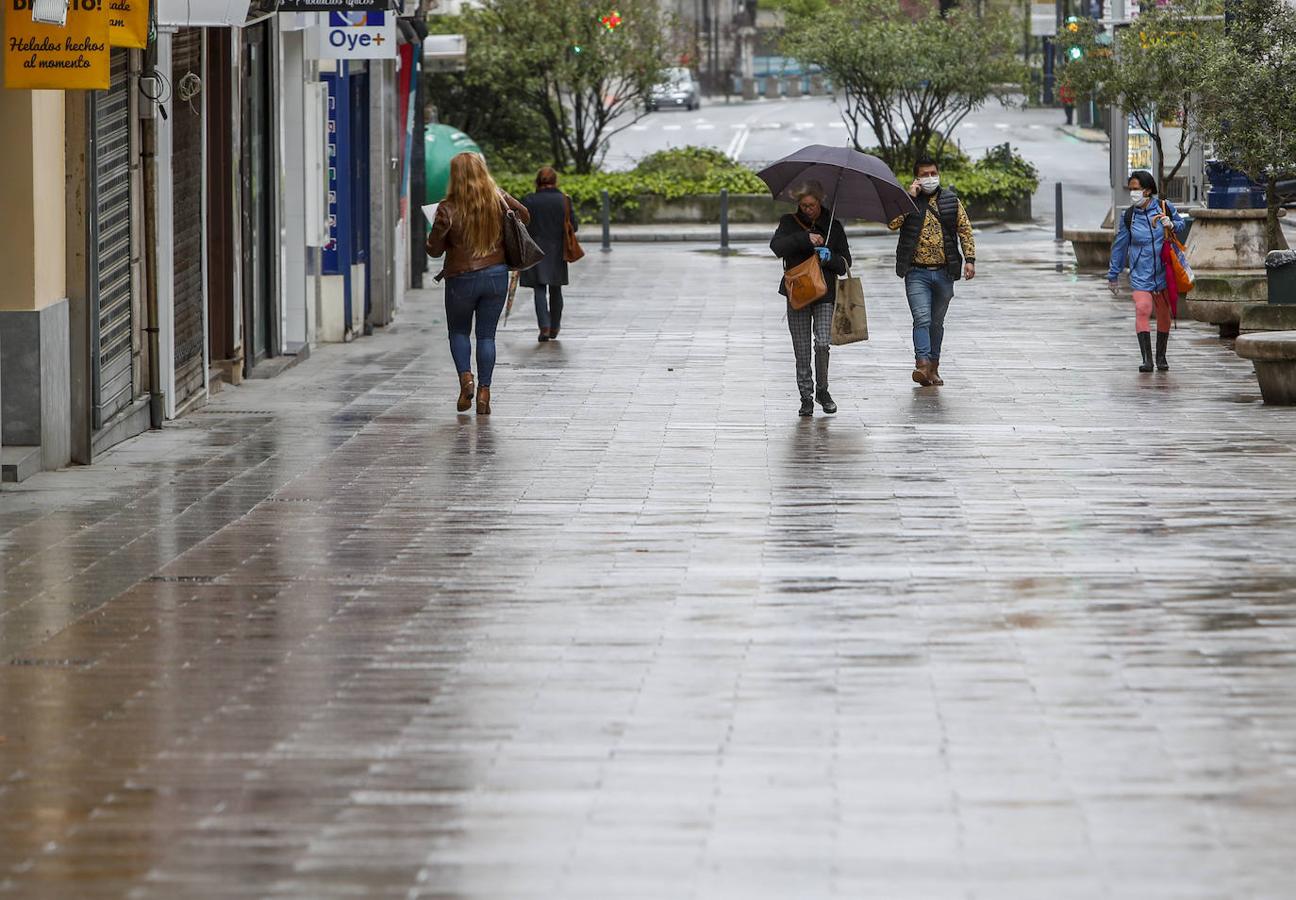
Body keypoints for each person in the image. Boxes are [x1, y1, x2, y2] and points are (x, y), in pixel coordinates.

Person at [426, 152, 530, 415]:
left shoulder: (447, 208)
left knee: (459, 332)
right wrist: (502, 194)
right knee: (487, 336)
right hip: (496, 276)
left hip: (461, 278)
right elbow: (525, 217)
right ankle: (485, 392)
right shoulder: (497, 199)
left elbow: (434, 251)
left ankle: (466, 379)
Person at [888, 157, 976, 387]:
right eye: (924, 174)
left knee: (936, 322)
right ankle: (922, 364)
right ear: (916, 177)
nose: (929, 178)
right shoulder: (908, 201)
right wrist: (908, 198)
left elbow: (965, 230)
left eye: (933, 173)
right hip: (916, 272)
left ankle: (933, 367)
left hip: (945, 273)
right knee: (922, 318)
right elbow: (892, 223)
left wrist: (970, 260)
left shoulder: (951, 201)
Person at [770, 183, 852, 417]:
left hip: (825, 292)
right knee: (802, 349)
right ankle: (806, 397)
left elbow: (846, 262)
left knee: (823, 343)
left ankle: (822, 391)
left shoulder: (833, 225)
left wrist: (828, 256)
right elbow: (776, 247)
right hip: (797, 292)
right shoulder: (789, 223)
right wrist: (805, 239)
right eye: (803, 205)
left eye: (812, 205)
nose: (808, 210)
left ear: (820, 202)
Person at [1107, 170, 1188, 373]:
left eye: (1136, 189)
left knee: (1163, 313)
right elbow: (1120, 246)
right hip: (1140, 272)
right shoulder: (1129, 216)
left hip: (1163, 270)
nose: (1133, 193)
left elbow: (1181, 224)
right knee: (1143, 308)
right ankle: (1147, 359)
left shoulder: (1164, 207)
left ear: (1148, 190)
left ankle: (1161, 356)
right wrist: (1113, 275)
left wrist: (1171, 223)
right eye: (1131, 189)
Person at [521, 167, 579, 342]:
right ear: (556, 181)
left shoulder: (529, 200)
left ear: (537, 181)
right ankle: (555, 326)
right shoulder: (564, 200)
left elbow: (522, 225)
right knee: (556, 289)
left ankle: (544, 326)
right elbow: (573, 226)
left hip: (535, 251)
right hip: (557, 251)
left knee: (539, 289)